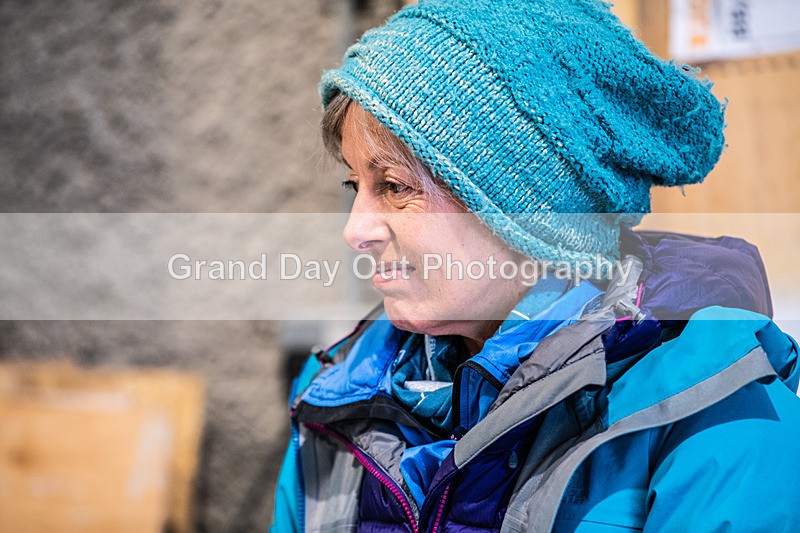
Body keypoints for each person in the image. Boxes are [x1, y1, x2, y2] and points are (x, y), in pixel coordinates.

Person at [271, 0, 800, 531]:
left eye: (394, 187)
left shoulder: (716, 419)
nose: (355, 231)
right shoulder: (336, 398)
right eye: (354, 185)